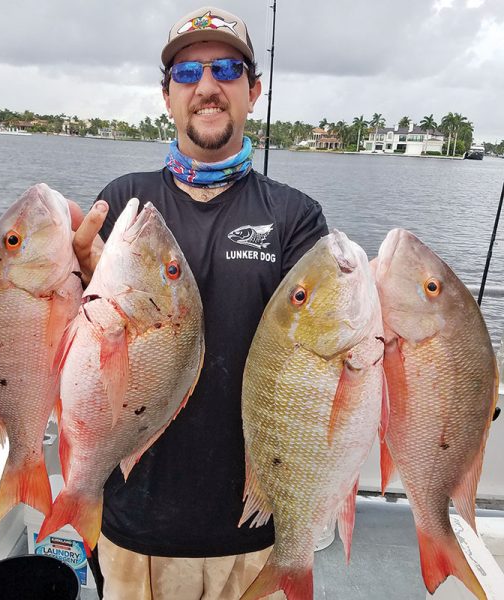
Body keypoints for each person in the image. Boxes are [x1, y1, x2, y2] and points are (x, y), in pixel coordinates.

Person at [70, 6, 328, 599]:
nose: (207, 87)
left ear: (253, 91)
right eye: (186, 74)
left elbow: (313, 362)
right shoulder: (125, 204)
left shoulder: (295, 216)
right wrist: (75, 293)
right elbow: (77, 355)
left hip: (257, 532)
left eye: (226, 69)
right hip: (137, 528)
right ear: (166, 96)